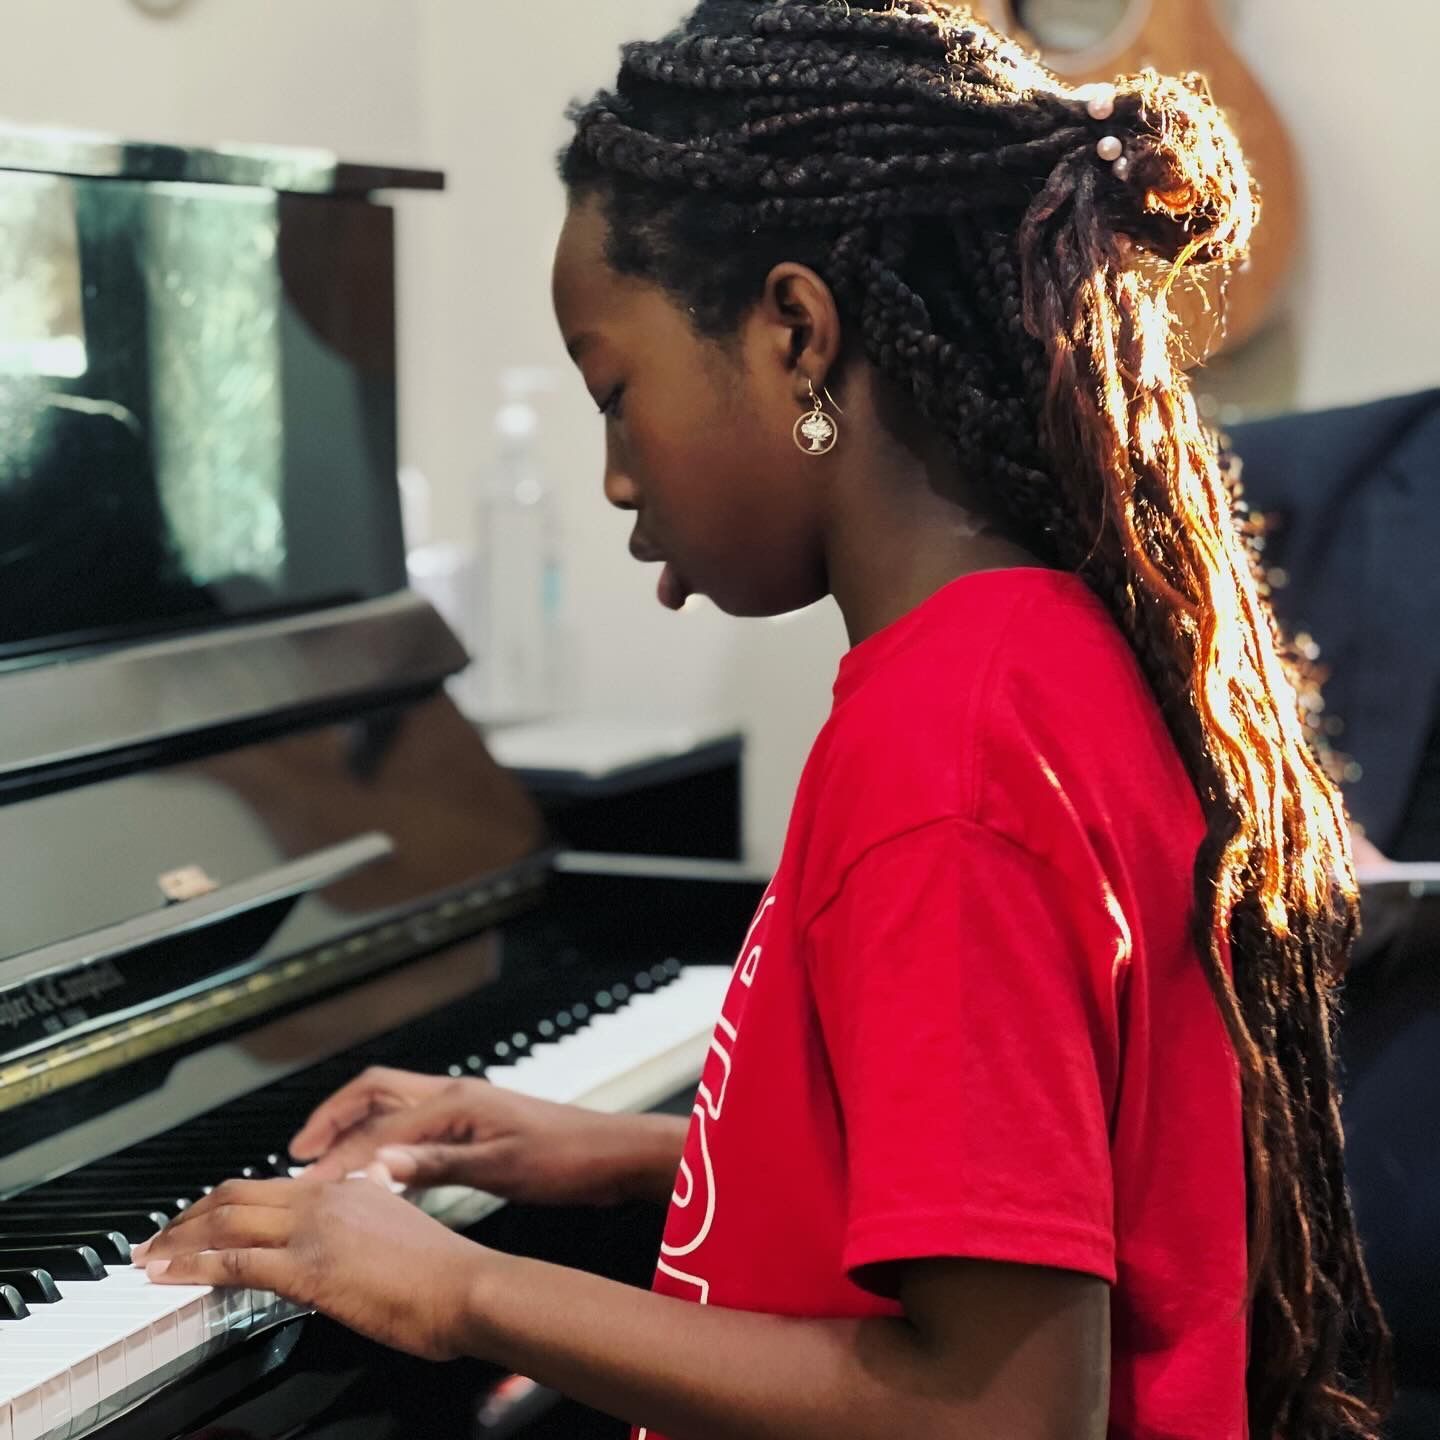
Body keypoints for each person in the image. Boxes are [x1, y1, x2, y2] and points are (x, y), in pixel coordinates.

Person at [133, 3, 1391, 1436]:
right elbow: (1020, 1181)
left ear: (796, 332)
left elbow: (1002, 1412)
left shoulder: (944, 763)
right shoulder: (1035, 657)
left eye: (617, 395)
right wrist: (635, 1152)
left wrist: (462, 1290)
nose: (616, 477)